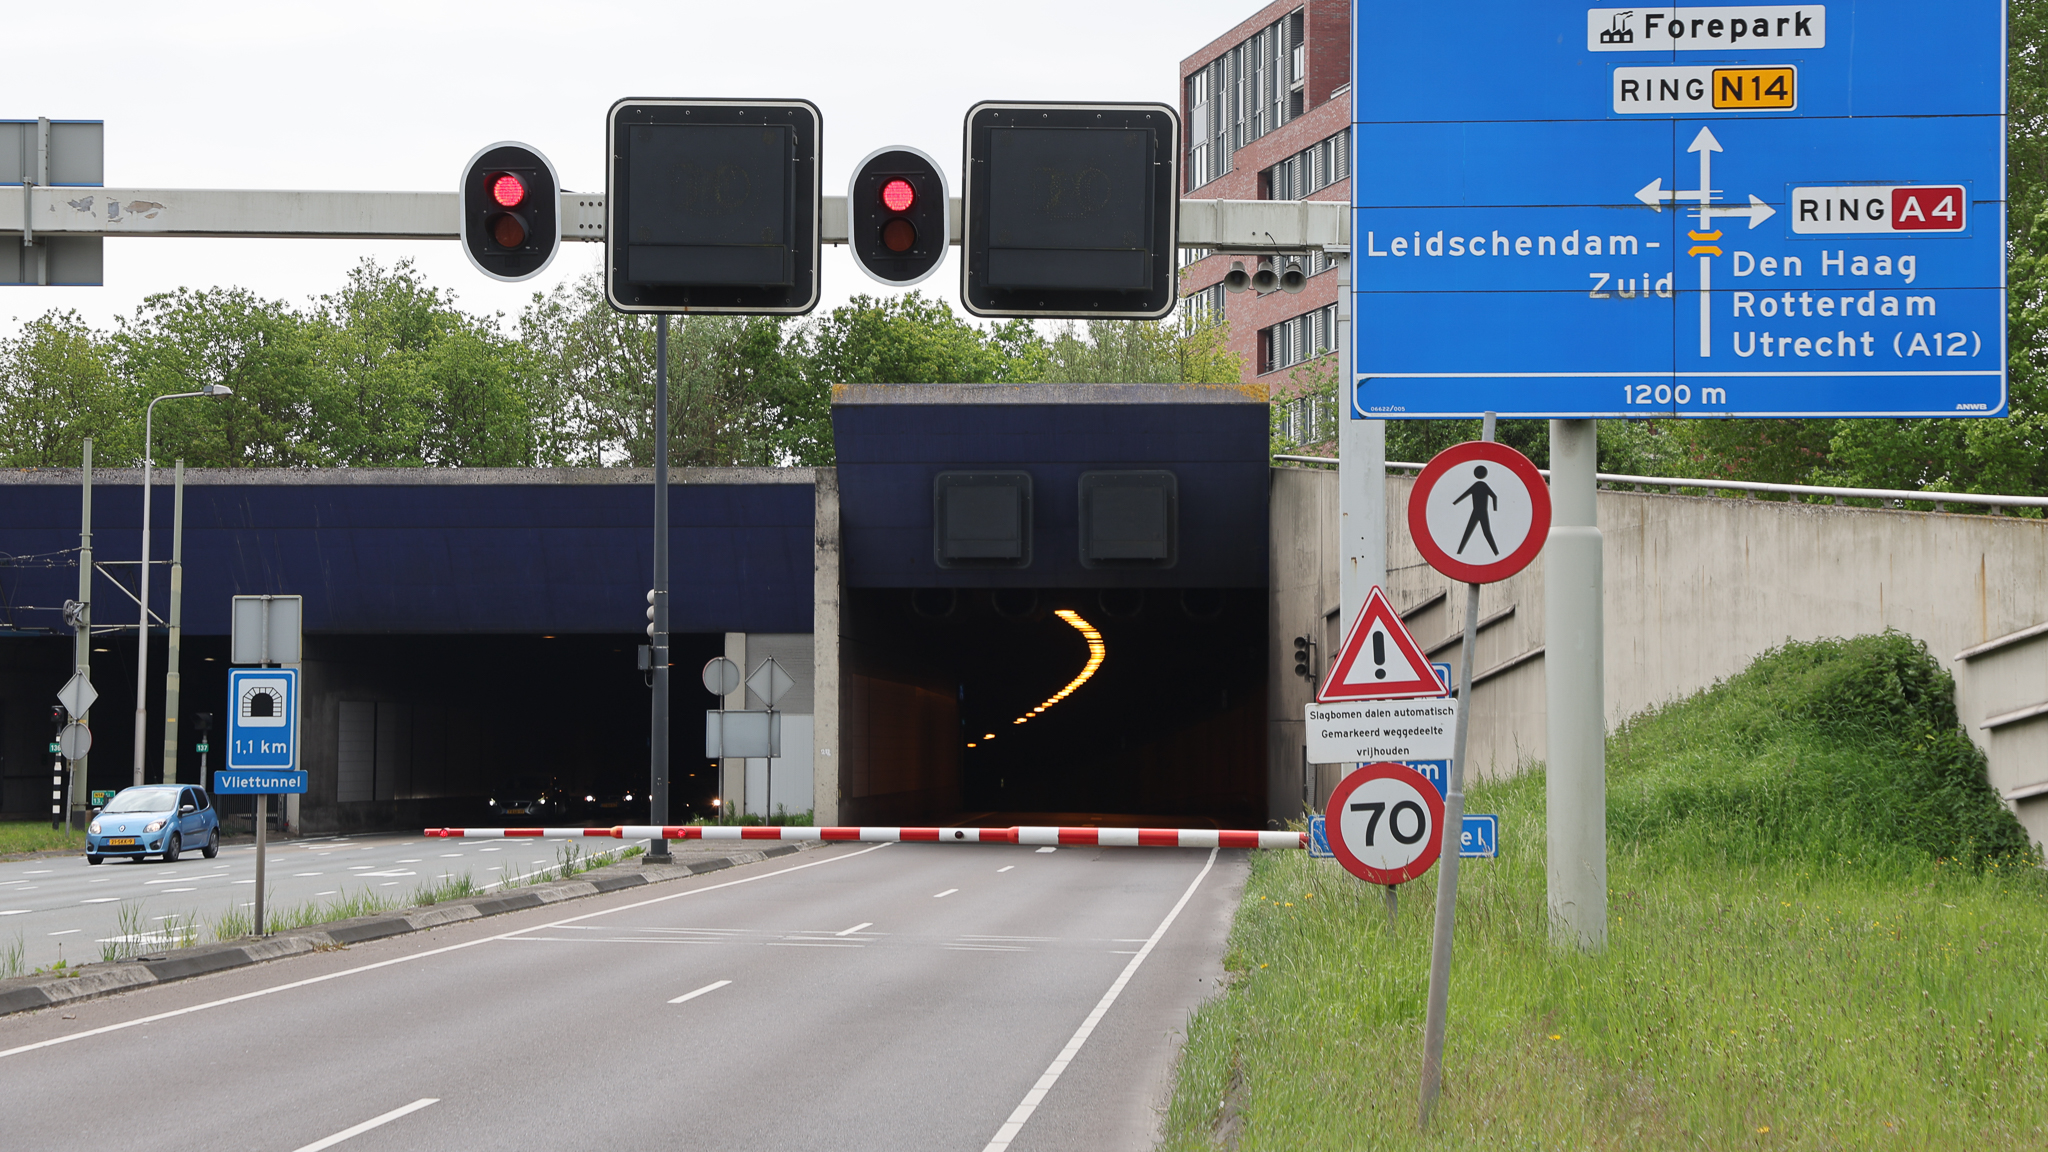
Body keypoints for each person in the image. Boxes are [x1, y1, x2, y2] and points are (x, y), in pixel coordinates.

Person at [1453, 465, 1498, 555]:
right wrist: (1494, 508)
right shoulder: (1483, 485)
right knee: (1483, 532)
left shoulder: (1477, 485)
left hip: (1478, 511)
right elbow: (1494, 496)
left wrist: (1455, 502)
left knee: (1470, 532)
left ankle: (1496, 553)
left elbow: (1464, 495)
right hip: (1481, 512)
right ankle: (1496, 553)